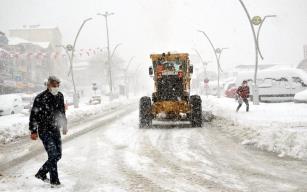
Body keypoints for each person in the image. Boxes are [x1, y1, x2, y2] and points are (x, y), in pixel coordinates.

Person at [29, 75, 67, 186]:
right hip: (44, 130)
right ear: (49, 84)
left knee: (58, 155)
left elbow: (62, 112)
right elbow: (34, 115)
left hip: (55, 130)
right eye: (55, 84)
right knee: (53, 154)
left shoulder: (60, 96)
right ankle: (55, 181)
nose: (57, 86)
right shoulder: (40, 98)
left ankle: (41, 173)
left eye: (58, 84)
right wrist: (33, 131)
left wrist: (64, 125)